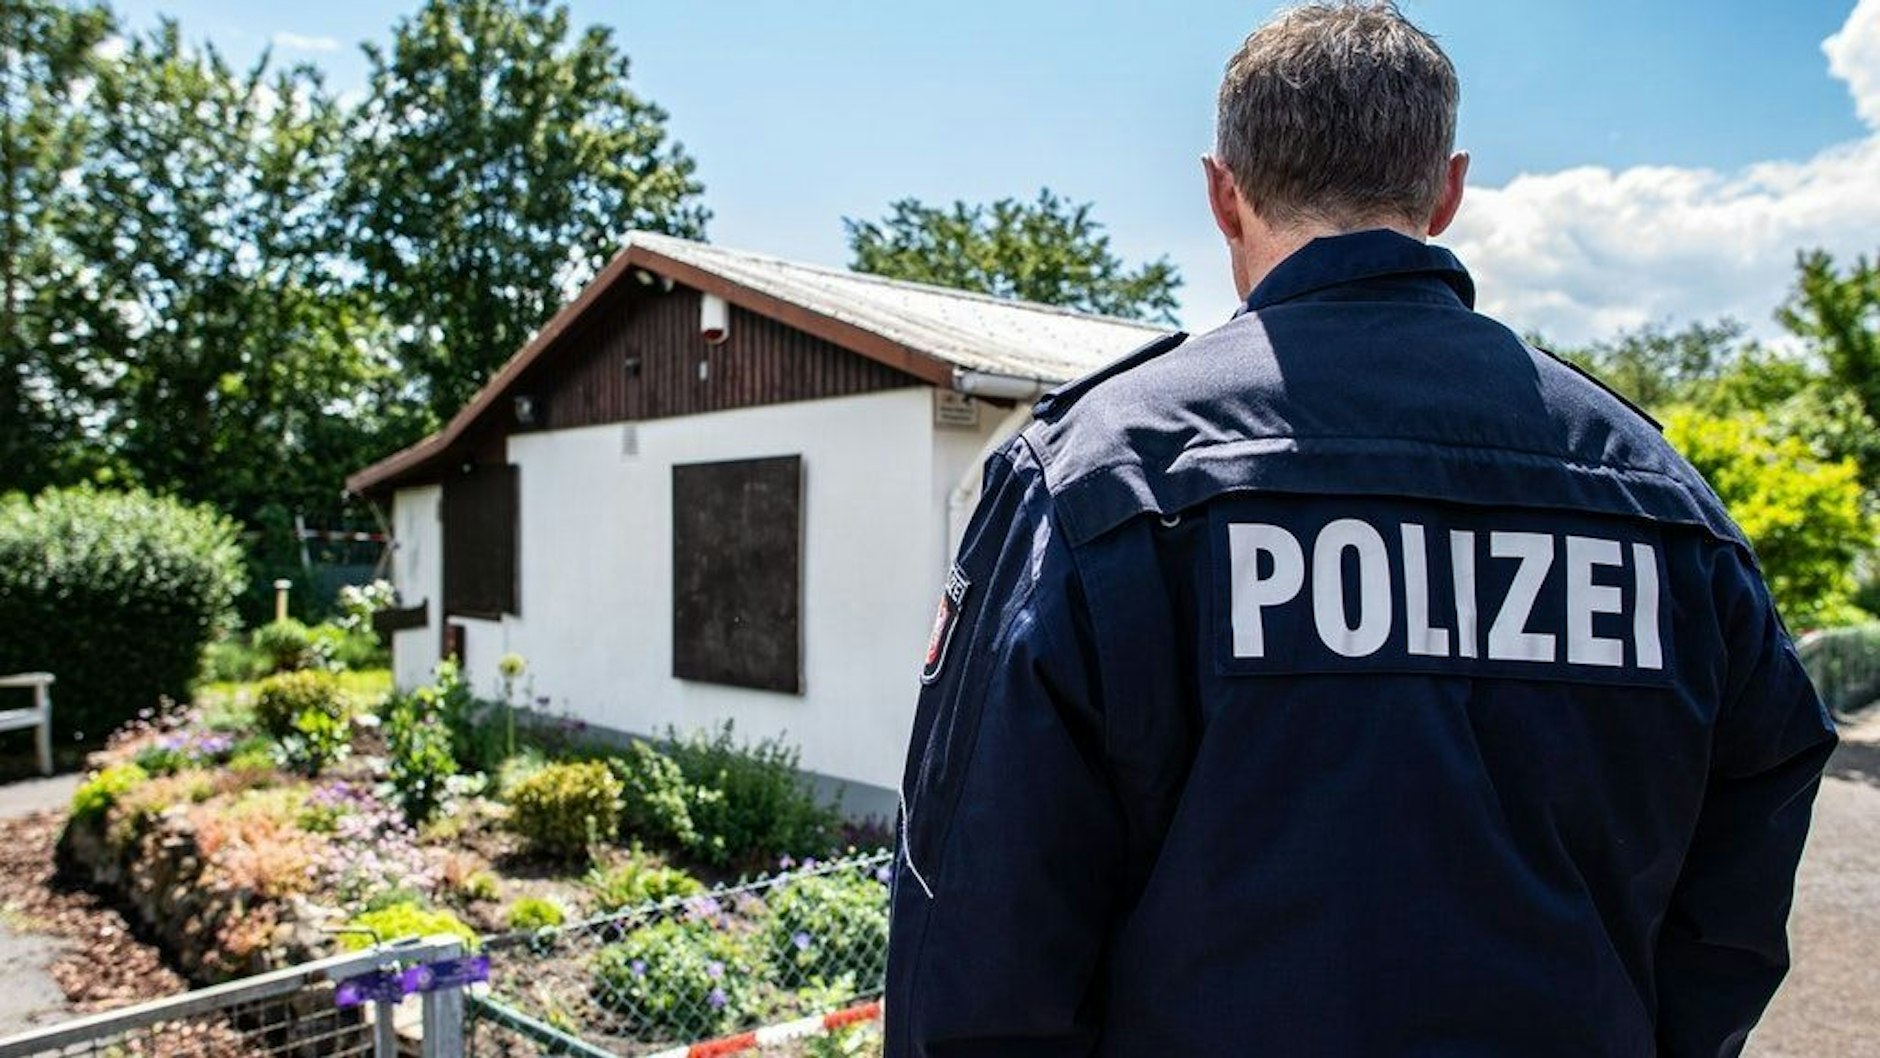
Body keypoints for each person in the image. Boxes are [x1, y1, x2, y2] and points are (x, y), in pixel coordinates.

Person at [884, 3, 1837, 1056]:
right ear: (1445, 189)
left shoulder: (1101, 476)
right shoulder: (1653, 495)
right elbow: (1754, 817)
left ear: (1220, 193)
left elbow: (977, 926)